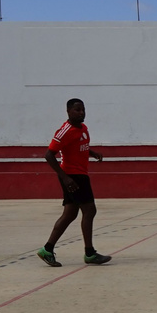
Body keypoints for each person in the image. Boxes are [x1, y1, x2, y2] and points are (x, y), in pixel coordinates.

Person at [37, 98, 112, 266]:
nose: (81, 112)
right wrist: (65, 177)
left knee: (70, 214)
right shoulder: (65, 131)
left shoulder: (83, 128)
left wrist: (92, 152)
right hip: (73, 176)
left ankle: (47, 250)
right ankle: (90, 253)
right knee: (90, 210)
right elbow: (49, 155)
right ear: (68, 112)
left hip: (80, 174)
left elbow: (78, 145)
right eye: (77, 110)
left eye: (83, 109)